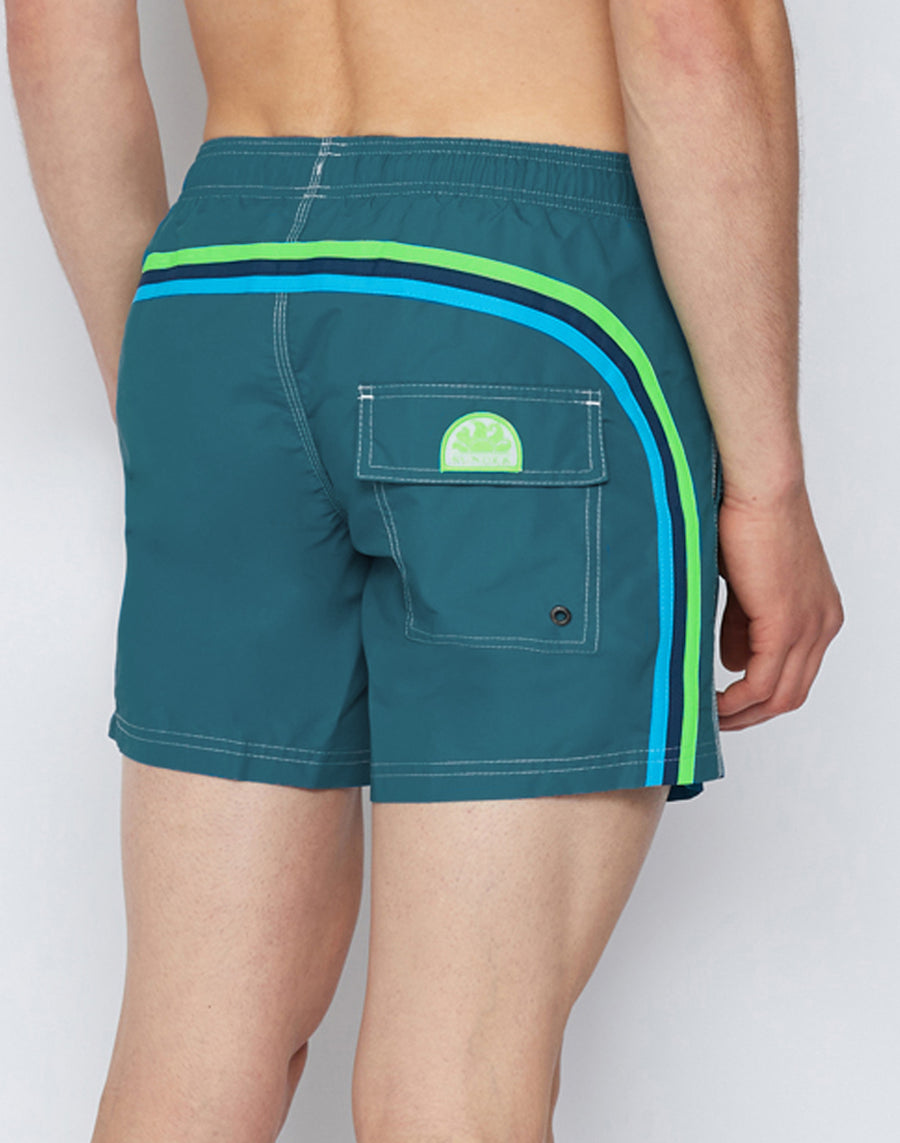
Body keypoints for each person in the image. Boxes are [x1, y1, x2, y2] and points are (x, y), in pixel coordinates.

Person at [6, 1, 844, 1140]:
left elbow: (53, 30)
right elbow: (695, 31)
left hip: (217, 289)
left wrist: (175, 404)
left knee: (191, 1049)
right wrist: (769, 486)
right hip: (516, 296)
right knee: (459, 1080)